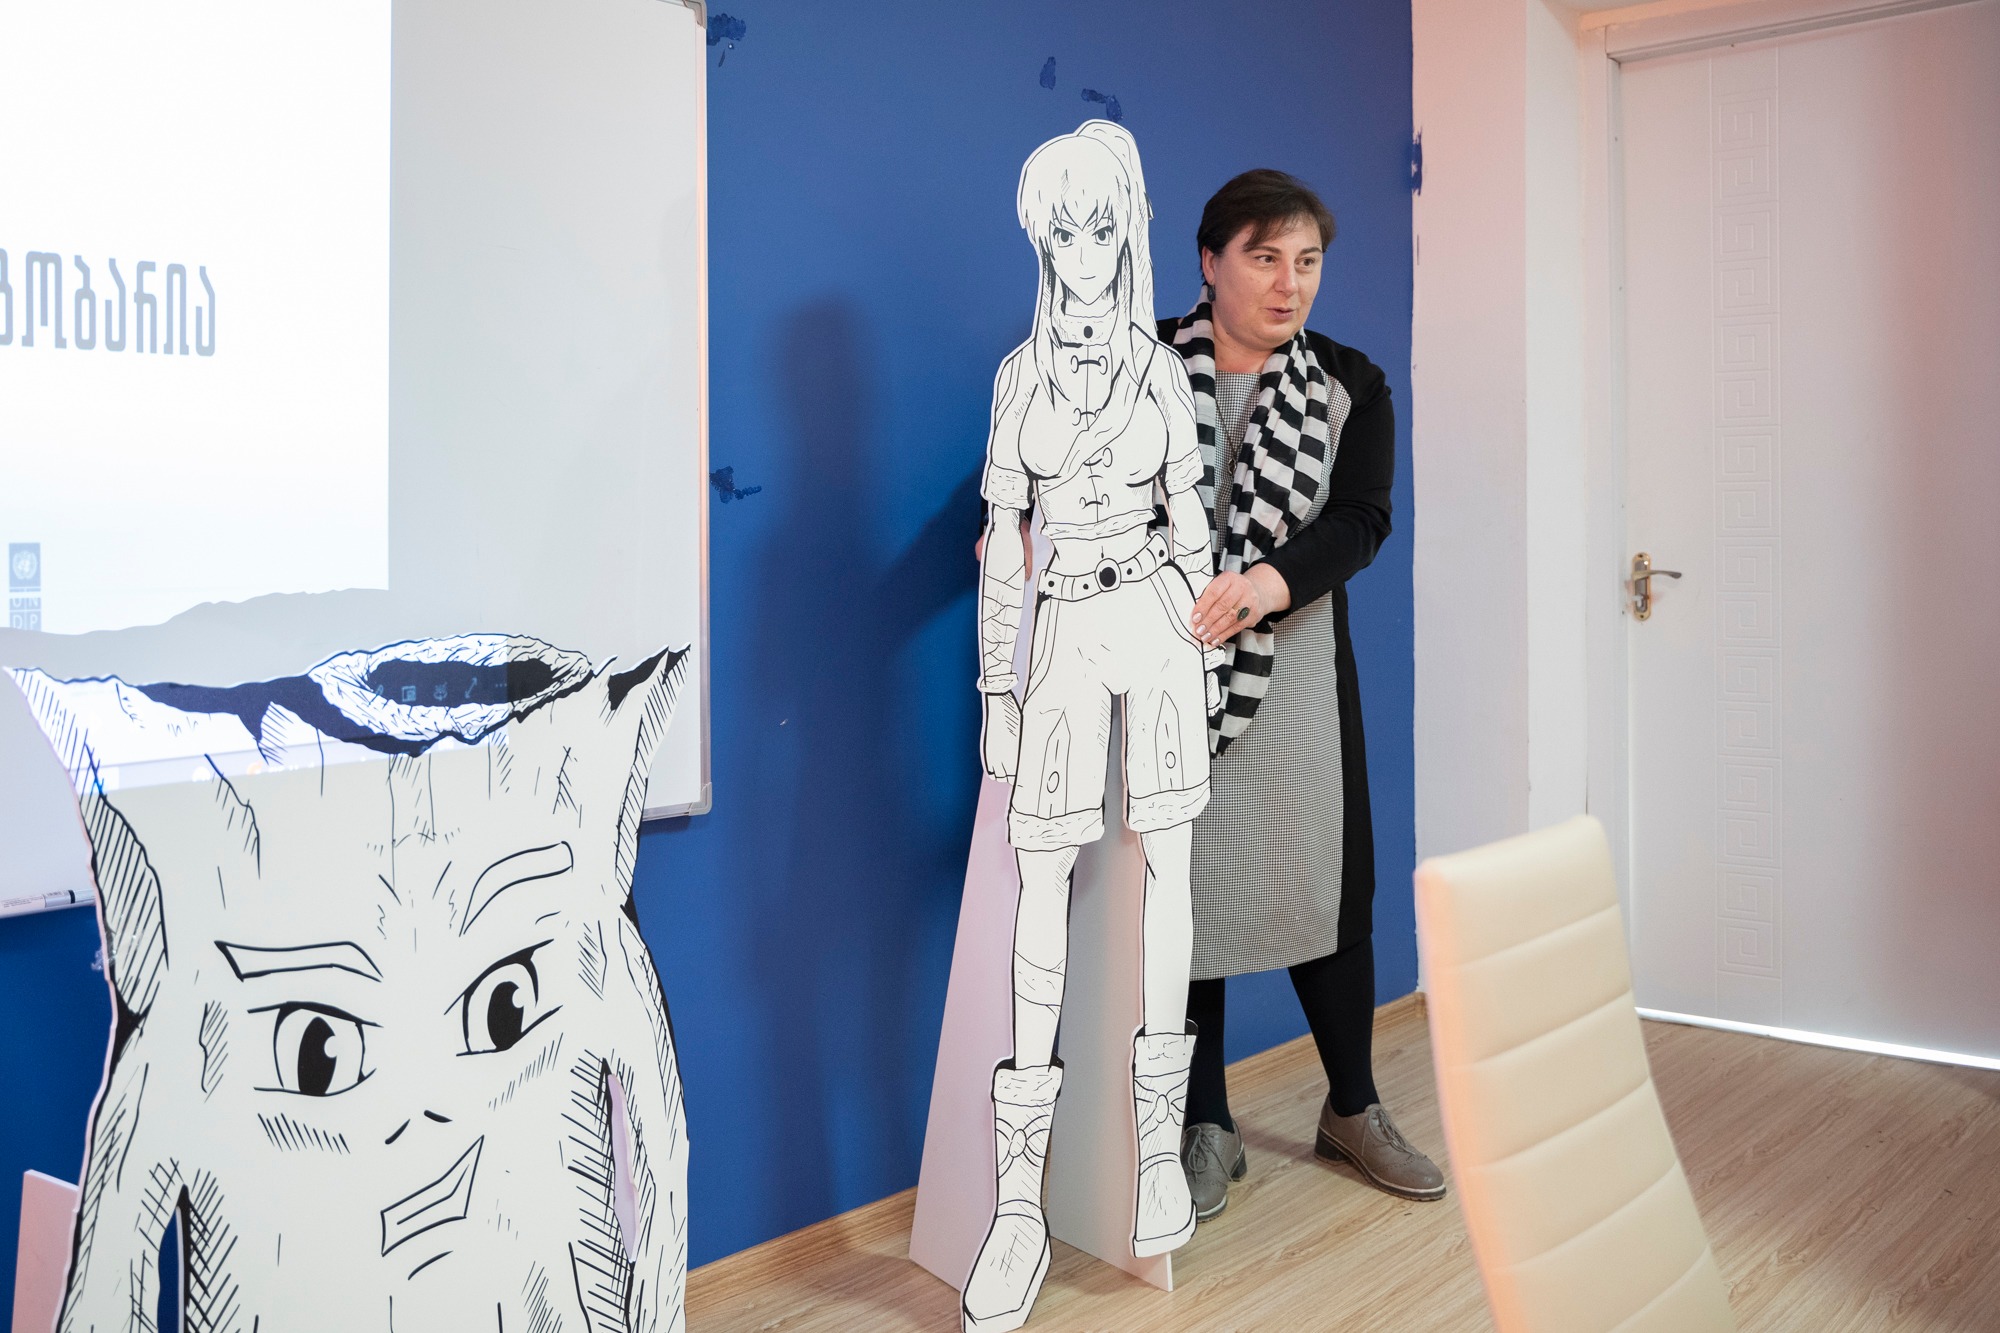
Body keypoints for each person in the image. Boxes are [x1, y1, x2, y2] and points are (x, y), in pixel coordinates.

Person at [961, 121, 1222, 1333]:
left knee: (1170, 864)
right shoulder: (1018, 379)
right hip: (1063, 624)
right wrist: (996, 692)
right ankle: (1016, 1206)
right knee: (1040, 878)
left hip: (1154, 623)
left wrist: (1201, 648)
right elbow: (1001, 549)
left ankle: (1155, 1152)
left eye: (1099, 229)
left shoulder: (1159, 374)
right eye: (1061, 233)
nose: (1079, 253)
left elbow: (1191, 521)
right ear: (1040, 240)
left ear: (1128, 233)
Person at [1156, 170, 1445, 1221]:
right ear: (1210, 261)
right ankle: (1206, 1123)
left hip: (1297, 678)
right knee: (1183, 902)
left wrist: (1263, 584)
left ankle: (1351, 1106)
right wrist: (1008, 529)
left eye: (1307, 262)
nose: (1290, 284)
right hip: (1168, 680)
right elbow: (1061, 478)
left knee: (1326, 888)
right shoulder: (1139, 368)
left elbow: (1362, 518)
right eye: (1265, 258)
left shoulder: (1349, 382)